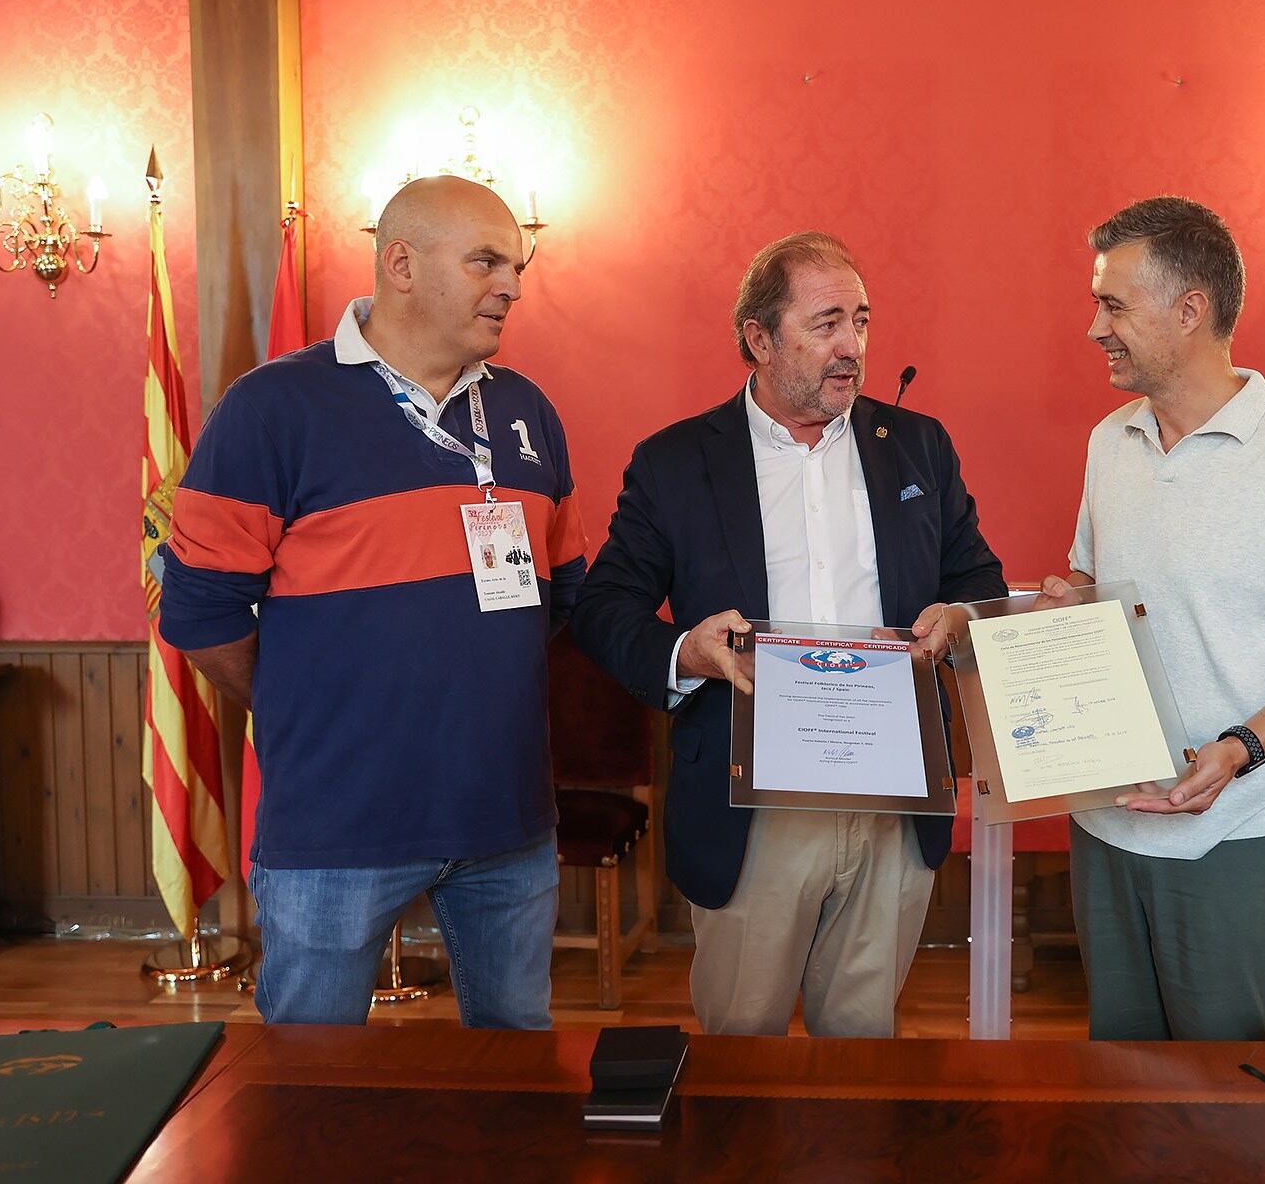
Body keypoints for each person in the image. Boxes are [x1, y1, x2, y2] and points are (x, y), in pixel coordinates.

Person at [158, 176, 585, 1027]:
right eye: (486, 261)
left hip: (506, 820)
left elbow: (561, 595)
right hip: (334, 825)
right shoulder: (271, 409)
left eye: (517, 264)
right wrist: (301, 705)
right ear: (401, 265)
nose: (513, 285)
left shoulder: (527, 411)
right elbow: (198, 617)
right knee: (309, 1092)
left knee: (516, 1080)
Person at [571, 232, 1005, 1037]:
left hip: (893, 799)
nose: (853, 348)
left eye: (862, 322)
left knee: (863, 1045)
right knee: (742, 1047)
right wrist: (686, 652)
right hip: (753, 804)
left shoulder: (918, 447)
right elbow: (605, 609)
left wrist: (959, 616)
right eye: (827, 323)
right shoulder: (675, 462)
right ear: (759, 339)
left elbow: (974, 577)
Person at [1042, 196, 1265, 1041]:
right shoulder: (1107, 440)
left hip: (1238, 833)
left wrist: (1239, 750)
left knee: (1238, 1107)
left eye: (1113, 304)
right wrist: (1060, 612)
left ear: (1189, 309)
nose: (1095, 328)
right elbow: (1096, 583)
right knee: (1121, 1093)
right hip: (1108, 824)